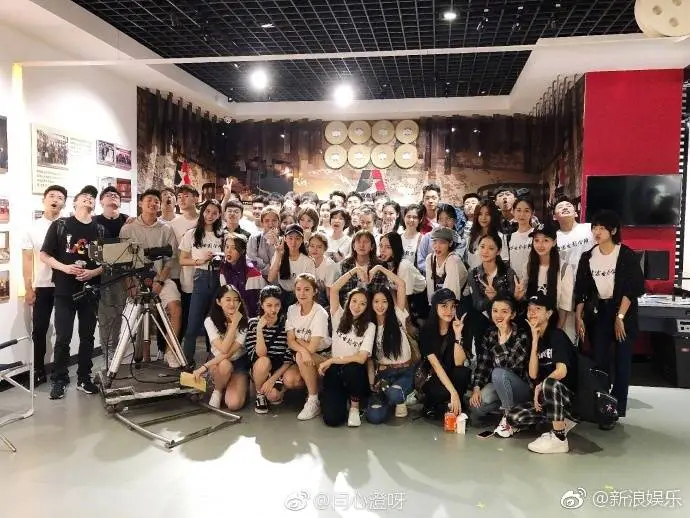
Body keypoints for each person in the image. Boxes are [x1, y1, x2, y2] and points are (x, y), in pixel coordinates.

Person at [574, 210, 645, 417]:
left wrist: (620, 317)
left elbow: (633, 288)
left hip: (624, 311)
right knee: (600, 359)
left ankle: (618, 407)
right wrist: (579, 317)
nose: (597, 232)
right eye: (594, 228)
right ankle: (602, 404)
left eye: (602, 228)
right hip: (599, 312)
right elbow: (582, 290)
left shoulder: (626, 255)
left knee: (622, 361)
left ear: (613, 231)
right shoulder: (588, 256)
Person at [40, 185, 104, 400]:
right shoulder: (61, 225)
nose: (88, 198)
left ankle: (84, 377)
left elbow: (105, 263)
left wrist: (92, 272)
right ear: (74, 203)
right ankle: (60, 379)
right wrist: (65, 268)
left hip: (90, 291)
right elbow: (44, 255)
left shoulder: (99, 229)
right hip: (64, 290)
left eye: (92, 197)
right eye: (84, 196)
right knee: (63, 336)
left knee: (87, 336)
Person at [505, 292, 577, 454]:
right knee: (514, 417)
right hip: (547, 399)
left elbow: (562, 371)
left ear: (549, 313)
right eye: (530, 309)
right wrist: (535, 341)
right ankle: (559, 422)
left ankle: (559, 438)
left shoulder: (557, 335)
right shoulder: (536, 338)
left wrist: (541, 386)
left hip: (567, 398)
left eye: (537, 309)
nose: (532, 313)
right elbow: (533, 374)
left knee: (550, 384)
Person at [119, 189, 183, 365]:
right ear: (140, 203)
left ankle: (171, 352)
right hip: (135, 279)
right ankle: (143, 356)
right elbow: (123, 261)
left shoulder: (166, 228)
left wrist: (160, 281)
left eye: (156, 201)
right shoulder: (128, 228)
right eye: (149, 200)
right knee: (137, 314)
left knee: (176, 307)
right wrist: (130, 285)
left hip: (160, 277)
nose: (153, 203)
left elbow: (170, 260)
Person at [22, 184, 66, 385]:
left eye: (60, 197)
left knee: (64, 330)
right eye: (52, 195)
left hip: (65, 284)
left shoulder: (69, 225)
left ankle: (60, 370)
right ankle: (39, 370)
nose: (55, 199)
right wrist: (28, 288)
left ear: (64, 203)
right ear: (44, 200)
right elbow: (27, 260)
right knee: (39, 329)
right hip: (42, 285)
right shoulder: (33, 228)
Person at [318, 271, 375, 427]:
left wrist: (331, 360)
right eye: (354, 301)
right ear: (348, 301)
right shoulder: (339, 316)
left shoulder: (369, 326)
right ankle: (341, 400)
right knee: (332, 420)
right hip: (336, 370)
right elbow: (334, 289)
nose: (357, 306)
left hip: (355, 372)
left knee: (352, 368)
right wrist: (354, 271)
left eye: (362, 303)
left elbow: (361, 358)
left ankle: (355, 407)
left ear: (367, 307)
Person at [468, 295, 531, 433]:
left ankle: (509, 419)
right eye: (495, 311)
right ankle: (510, 409)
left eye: (504, 311)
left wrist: (502, 336)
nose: (498, 315)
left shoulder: (521, 335)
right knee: (476, 406)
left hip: (520, 387)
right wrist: (476, 388)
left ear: (513, 314)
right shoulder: (490, 334)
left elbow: (511, 365)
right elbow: (483, 363)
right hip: (498, 386)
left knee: (498, 373)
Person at [179, 199, 226, 365]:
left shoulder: (224, 234)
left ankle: (212, 359)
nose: (210, 215)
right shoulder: (192, 233)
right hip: (201, 277)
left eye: (215, 213)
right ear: (202, 212)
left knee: (215, 322)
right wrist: (200, 261)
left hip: (220, 278)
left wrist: (222, 257)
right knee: (193, 323)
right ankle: (188, 361)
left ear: (219, 215)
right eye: (207, 211)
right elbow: (182, 260)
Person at [365, 269, 414, 424]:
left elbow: (401, 284)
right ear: (371, 303)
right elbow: (370, 359)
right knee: (374, 417)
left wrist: (379, 268)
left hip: (404, 372)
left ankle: (400, 397)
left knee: (394, 393)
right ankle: (392, 398)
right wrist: (372, 383)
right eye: (376, 302)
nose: (380, 306)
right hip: (384, 375)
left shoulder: (398, 314)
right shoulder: (369, 326)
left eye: (384, 301)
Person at [192, 284, 249, 410]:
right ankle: (218, 390)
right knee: (224, 364)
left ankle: (234, 384)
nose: (232, 304)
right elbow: (222, 350)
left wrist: (234, 323)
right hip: (218, 362)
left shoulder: (245, 322)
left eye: (236, 300)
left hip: (238, 362)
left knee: (234, 404)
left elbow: (228, 352)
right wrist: (232, 326)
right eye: (228, 300)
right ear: (218, 302)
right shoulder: (210, 321)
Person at [466, 233, 524, 355]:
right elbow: (477, 304)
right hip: (484, 319)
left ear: (498, 251)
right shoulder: (473, 274)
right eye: (482, 247)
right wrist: (490, 299)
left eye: (491, 248)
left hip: (507, 318)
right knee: (477, 324)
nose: (485, 251)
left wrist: (517, 298)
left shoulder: (508, 272)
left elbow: (514, 304)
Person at [246, 285, 300, 413]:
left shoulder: (286, 324)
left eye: (277, 305)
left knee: (274, 396)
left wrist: (273, 379)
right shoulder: (253, 323)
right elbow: (259, 354)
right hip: (261, 368)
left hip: (279, 369)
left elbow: (288, 358)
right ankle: (260, 394)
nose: (273, 309)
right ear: (262, 305)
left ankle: (277, 389)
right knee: (263, 361)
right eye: (269, 305)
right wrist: (259, 329)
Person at [418, 288, 471, 418]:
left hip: (452, 373)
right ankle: (432, 404)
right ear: (435, 307)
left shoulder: (459, 326)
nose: (449, 311)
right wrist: (453, 392)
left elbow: (459, 362)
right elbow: (436, 366)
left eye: (453, 306)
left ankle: (454, 404)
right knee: (442, 391)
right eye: (444, 306)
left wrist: (458, 335)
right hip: (433, 377)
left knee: (463, 372)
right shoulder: (427, 331)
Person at [286, 273, 330, 420]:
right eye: (298, 289)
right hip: (304, 356)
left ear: (314, 291)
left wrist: (299, 342)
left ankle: (313, 399)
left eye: (306, 289)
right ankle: (317, 388)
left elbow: (312, 348)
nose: (302, 293)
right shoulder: (292, 310)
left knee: (300, 356)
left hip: (323, 356)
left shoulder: (320, 313)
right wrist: (302, 348)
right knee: (290, 379)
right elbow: (290, 340)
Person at [95, 185, 130, 367]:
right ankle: (107, 355)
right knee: (105, 317)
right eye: (108, 195)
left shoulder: (128, 221)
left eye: (116, 195)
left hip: (124, 275)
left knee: (119, 315)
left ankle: (116, 353)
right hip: (102, 275)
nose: (113, 197)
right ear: (101, 201)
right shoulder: (94, 222)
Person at [526, 221, 575, 340]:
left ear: (554, 242)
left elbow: (564, 305)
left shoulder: (564, 268)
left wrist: (556, 332)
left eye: (546, 240)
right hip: (533, 325)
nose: (540, 245)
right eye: (536, 240)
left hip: (557, 323)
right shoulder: (529, 266)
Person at [170, 184, 200, 340]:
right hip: (185, 276)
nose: (182, 199)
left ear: (196, 198)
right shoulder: (174, 224)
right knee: (186, 316)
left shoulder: (205, 219)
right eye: (179, 197)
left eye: (186, 196)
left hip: (206, 275)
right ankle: (181, 349)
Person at [218, 233, 266, 317]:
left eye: (233, 248)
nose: (229, 251)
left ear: (242, 250)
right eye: (227, 247)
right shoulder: (223, 269)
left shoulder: (252, 271)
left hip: (251, 314)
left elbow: (255, 303)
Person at [268, 224, 316, 306]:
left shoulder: (308, 261)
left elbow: (310, 285)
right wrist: (279, 254)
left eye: (297, 238)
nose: (293, 242)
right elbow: (270, 278)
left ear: (302, 240)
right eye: (290, 238)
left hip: (299, 295)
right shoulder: (279, 254)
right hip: (281, 293)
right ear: (285, 239)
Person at [337, 230, 387, 306]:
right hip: (351, 305)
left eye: (365, 242)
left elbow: (377, 292)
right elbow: (345, 292)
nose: (361, 245)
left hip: (372, 306)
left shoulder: (379, 265)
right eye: (358, 242)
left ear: (372, 246)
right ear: (353, 246)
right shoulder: (346, 264)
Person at [417, 203, 467, 275]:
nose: (444, 223)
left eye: (448, 219)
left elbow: (457, 261)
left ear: (455, 221)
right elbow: (421, 261)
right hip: (430, 276)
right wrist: (435, 271)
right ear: (437, 221)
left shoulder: (460, 241)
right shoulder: (428, 237)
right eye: (441, 219)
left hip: (452, 276)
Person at [425, 227, 468, 303]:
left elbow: (451, 291)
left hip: (459, 300)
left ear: (450, 243)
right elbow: (430, 286)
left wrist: (443, 306)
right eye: (434, 241)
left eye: (442, 242)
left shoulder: (453, 260)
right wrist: (432, 305)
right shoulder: (430, 258)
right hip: (440, 300)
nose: (437, 246)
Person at [554, 197, 594, 276]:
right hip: (567, 281)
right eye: (560, 207)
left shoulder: (590, 228)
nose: (565, 208)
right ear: (554, 217)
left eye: (568, 206)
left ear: (576, 214)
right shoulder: (554, 237)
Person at [378, 232, 426, 299]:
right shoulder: (384, 264)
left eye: (388, 247)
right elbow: (391, 289)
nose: (382, 250)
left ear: (396, 249)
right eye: (381, 246)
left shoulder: (404, 266)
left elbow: (404, 298)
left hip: (418, 297)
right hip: (399, 293)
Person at [466, 200, 509, 270]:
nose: (483, 218)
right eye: (480, 214)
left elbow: (504, 260)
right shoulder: (472, 236)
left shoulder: (500, 237)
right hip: (473, 275)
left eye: (487, 214)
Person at [308, 232, 339, 309]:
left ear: (325, 248)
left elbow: (329, 293)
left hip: (328, 299)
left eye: (319, 247)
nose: (315, 249)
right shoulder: (308, 261)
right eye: (312, 246)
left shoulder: (329, 266)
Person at [508, 197, 535, 282]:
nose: (522, 214)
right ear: (513, 212)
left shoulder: (537, 235)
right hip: (514, 284)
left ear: (532, 213)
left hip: (533, 283)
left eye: (526, 211)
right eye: (519, 210)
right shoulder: (509, 237)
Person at [247, 206, 280, 276]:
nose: (271, 224)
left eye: (274, 220)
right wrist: (270, 270)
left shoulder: (282, 240)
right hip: (258, 277)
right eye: (267, 221)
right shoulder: (254, 238)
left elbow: (279, 262)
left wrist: (273, 244)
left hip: (277, 278)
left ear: (278, 222)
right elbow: (251, 259)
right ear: (262, 222)